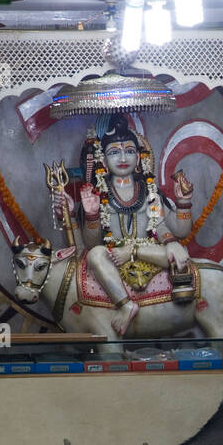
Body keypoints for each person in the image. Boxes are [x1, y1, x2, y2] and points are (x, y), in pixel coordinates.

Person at [55, 115, 195, 335]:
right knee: (95, 255)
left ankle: (133, 250)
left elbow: (176, 230)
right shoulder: (98, 195)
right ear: (103, 159)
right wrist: (91, 214)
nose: (123, 157)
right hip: (112, 259)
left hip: (150, 254)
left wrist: (183, 202)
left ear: (139, 158)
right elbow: (90, 244)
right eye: (114, 152)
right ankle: (125, 304)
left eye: (129, 151)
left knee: (179, 252)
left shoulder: (149, 191)